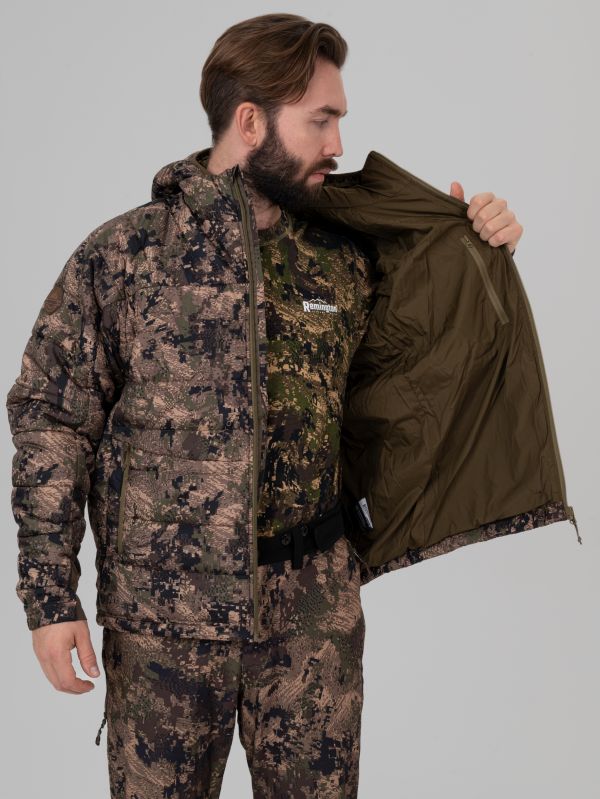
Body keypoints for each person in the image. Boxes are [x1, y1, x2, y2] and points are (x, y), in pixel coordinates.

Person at [7, 12, 527, 798]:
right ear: (250, 122)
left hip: (312, 628)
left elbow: (425, 368)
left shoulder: (345, 258)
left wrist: (477, 249)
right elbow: (53, 421)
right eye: (321, 119)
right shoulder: (125, 256)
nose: (339, 143)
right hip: (162, 627)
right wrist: (49, 596)